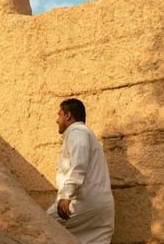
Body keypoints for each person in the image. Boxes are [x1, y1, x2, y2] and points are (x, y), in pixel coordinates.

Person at [47, 98, 114, 243]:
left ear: (68, 115)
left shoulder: (77, 131)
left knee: (45, 225)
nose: (57, 120)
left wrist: (66, 195)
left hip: (83, 202)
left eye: (59, 115)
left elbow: (79, 165)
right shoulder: (86, 134)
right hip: (102, 207)